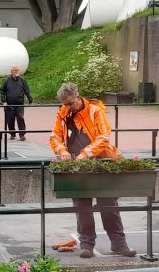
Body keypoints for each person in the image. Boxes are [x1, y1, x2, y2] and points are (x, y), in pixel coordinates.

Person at [49, 82, 136, 259]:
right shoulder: (63, 113)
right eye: (65, 104)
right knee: (82, 207)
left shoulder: (95, 111)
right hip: (78, 166)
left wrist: (84, 154)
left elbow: (104, 138)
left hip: (102, 162)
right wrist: (62, 151)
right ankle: (86, 244)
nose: (68, 107)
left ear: (78, 96)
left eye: (71, 103)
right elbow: (54, 136)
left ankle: (119, 244)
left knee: (109, 205)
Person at [0, 65, 33, 141]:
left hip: (20, 103)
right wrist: (4, 101)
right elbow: (2, 90)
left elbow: (26, 90)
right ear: (11, 72)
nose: (16, 72)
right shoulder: (7, 80)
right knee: (10, 119)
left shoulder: (22, 80)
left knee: (20, 118)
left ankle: (22, 134)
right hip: (10, 104)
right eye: (15, 70)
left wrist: (30, 99)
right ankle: (12, 134)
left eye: (17, 70)